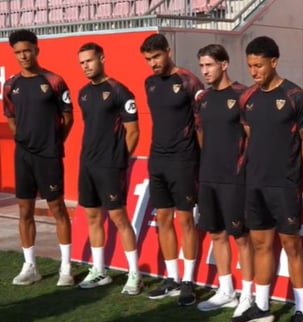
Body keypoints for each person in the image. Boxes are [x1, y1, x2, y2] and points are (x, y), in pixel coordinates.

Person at [231, 36, 303, 322]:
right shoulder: (247, 98)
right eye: (250, 66)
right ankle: (262, 305)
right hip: (255, 183)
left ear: (274, 62)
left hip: (284, 185)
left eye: (259, 65)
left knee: (291, 245)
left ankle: (301, 311)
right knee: (261, 245)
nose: (254, 71)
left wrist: (293, 174)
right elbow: (249, 133)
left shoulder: (296, 96)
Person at [3, 29, 74, 287]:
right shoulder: (11, 85)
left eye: (27, 51)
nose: (23, 56)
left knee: (58, 209)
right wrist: (23, 138)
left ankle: (65, 267)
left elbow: (68, 118)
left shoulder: (54, 81)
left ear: (36, 50)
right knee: (25, 210)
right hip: (23, 156)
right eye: (18, 52)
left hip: (49, 155)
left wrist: (53, 142)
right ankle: (30, 266)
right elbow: (11, 117)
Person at [140, 33, 204, 306]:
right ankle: (172, 278)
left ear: (168, 51)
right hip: (157, 160)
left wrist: (203, 159)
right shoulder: (150, 83)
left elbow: (201, 125)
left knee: (185, 220)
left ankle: (188, 281)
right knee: (163, 219)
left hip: (184, 160)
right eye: (148, 59)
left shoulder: (189, 81)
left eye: (156, 57)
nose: (153, 63)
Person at [75, 42, 142, 295]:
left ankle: (134, 274)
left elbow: (133, 131)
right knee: (92, 217)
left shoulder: (119, 91)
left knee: (119, 218)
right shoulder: (83, 93)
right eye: (82, 63)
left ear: (102, 59)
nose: (86, 66)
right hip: (87, 164)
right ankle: (99, 270)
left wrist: (118, 161)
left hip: (110, 167)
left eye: (90, 61)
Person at [194, 44, 254, 317]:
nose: (205, 71)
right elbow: (201, 135)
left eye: (209, 65)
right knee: (216, 233)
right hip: (209, 176)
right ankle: (226, 290)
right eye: (202, 66)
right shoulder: (203, 98)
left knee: (241, 237)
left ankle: (248, 295)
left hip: (235, 178)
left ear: (224, 64)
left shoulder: (243, 95)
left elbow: (252, 137)